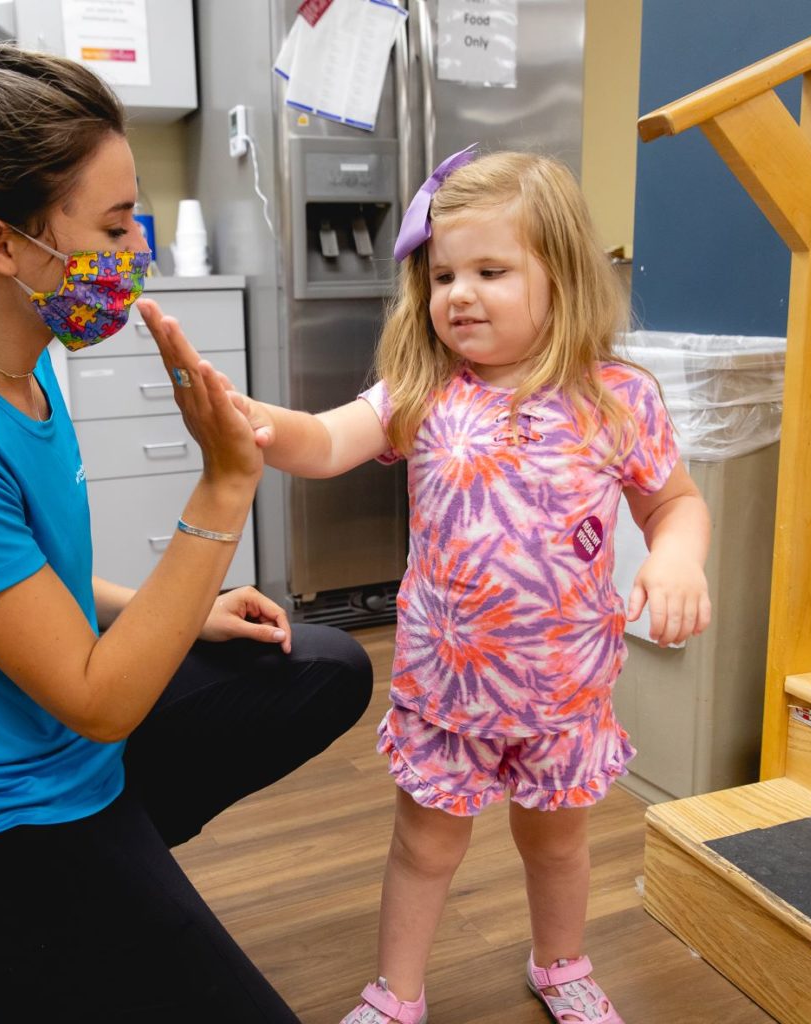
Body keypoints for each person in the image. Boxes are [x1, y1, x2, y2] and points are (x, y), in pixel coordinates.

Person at [0, 4, 372, 1021]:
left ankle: (101, 895)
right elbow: (99, 701)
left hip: (74, 760)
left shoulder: (21, 364)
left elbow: (22, 571)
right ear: (0, 245)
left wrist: (174, 609)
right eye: (112, 227)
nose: (136, 248)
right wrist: (224, 485)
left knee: (321, 665)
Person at [223, 149, 713, 1024]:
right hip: (444, 689)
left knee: (556, 847)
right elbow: (325, 443)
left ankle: (561, 966)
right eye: (443, 274)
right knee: (422, 848)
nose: (460, 293)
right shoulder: (420, 391)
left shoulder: (617, 400)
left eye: (491, 271)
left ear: (562, 277)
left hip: (566, 691)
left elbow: (674, 503)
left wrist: (677, 557)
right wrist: (254, 420)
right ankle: (396, 994)